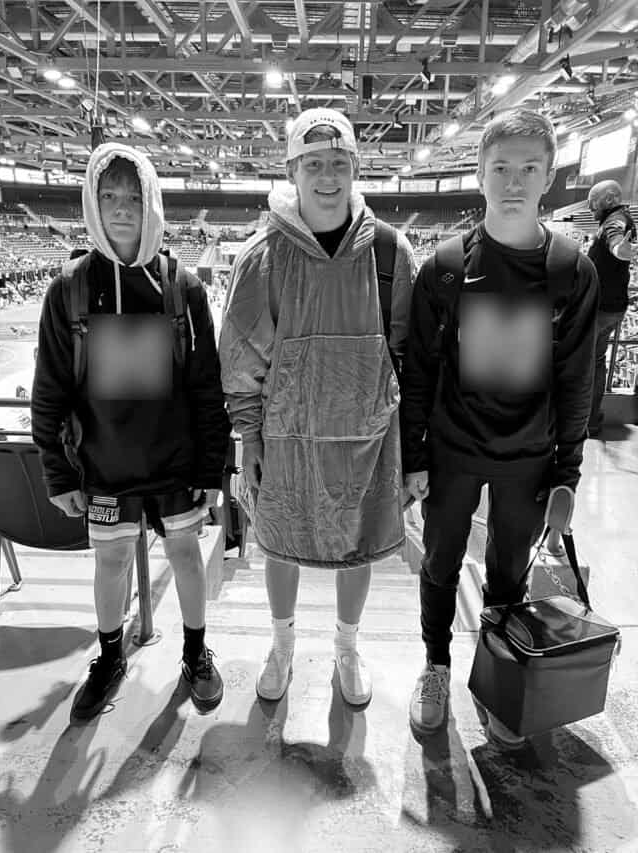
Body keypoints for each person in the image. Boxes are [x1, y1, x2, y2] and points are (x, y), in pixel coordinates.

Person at [401, 108, 598, 747]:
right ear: (481, 173)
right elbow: (419, 371)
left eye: (529, 169)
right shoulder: (446, 267)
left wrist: (567, 472)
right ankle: (435, 664)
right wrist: (413, 457)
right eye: (501, 168)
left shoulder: (571, 271)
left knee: (508, 574)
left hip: (529, 456)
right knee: (439, 562)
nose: (514, 182)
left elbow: (577, 379)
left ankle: (500, 673)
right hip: (454, 450)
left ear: (550, 176)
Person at [219, 108, 416, 706]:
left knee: (358, 543)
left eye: (337, 163)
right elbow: (241, 359)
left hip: (367, 439)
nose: (327, 177)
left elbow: (410, 354)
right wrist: (250, 438)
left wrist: (413, 453)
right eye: (313, 164)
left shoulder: (390, 253)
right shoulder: (263, 257)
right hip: (287, 438)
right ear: (292, 171)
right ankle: (281, 643)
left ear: (354, 168)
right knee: (279, 544)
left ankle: (347, 646)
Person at [31, 143, 230, 720]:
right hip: (105, 464)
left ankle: (194, 654)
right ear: (93, 203)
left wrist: (211, 469)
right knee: (110, 564)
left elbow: (206, 387)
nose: (121, 208)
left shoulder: (181, 286)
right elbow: (50, 391)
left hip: (175, 463)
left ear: (152, 203)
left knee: (187, 556)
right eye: (109, 195)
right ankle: (110, 657)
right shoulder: (67, 289)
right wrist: (58, 473)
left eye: (133, 197)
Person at [586, 179, 637, 435]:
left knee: (585, 363)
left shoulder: (615, 221)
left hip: (601, 307)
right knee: (596, 361)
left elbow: (615, 240)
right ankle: (591, 419)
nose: (590, 208)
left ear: (608, 199)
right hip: (610, 306)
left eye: (593, 202)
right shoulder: (619, 217)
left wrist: (620, 249)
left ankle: (585, 421)